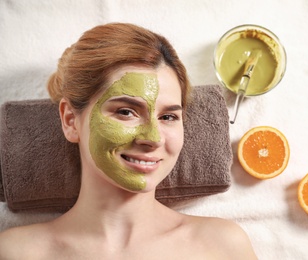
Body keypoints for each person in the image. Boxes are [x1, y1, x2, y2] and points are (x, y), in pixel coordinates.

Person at [0, 23, 257, 259]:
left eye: (168, 116)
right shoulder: (16, 252)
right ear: (70, 120)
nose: (153, 138)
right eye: (126, 112)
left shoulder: (222, 246)